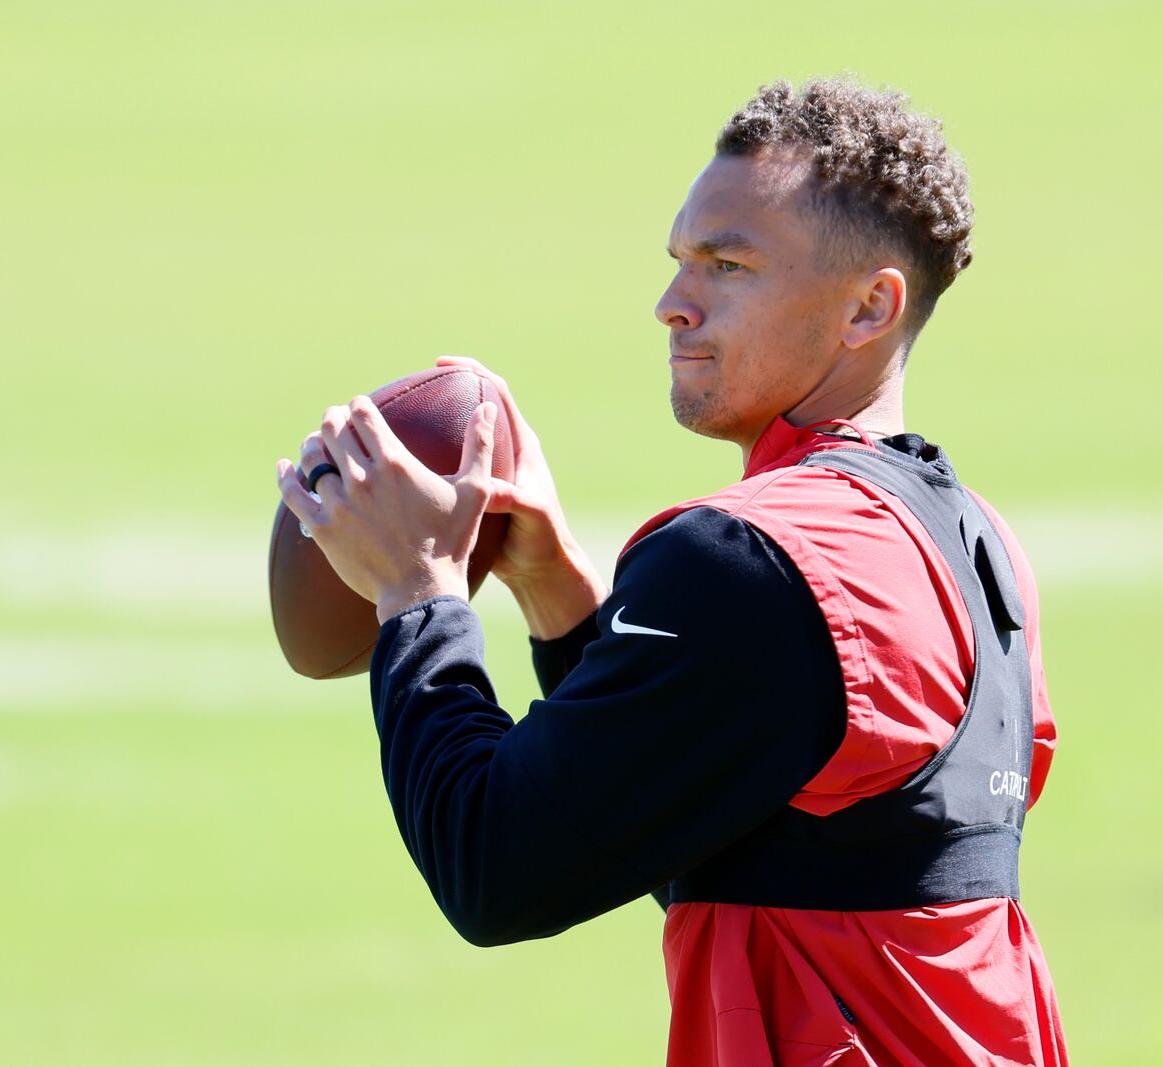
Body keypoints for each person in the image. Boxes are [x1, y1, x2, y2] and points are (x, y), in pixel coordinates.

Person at [275, 77, 1068, 1066]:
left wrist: (419, 591)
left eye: (727, 265)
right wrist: (558, 592)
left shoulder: (749, 558)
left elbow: (497, 867)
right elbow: (708, 819)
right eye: (680, 262)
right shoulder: (972, 541)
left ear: (869, 305)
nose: (671, 305)